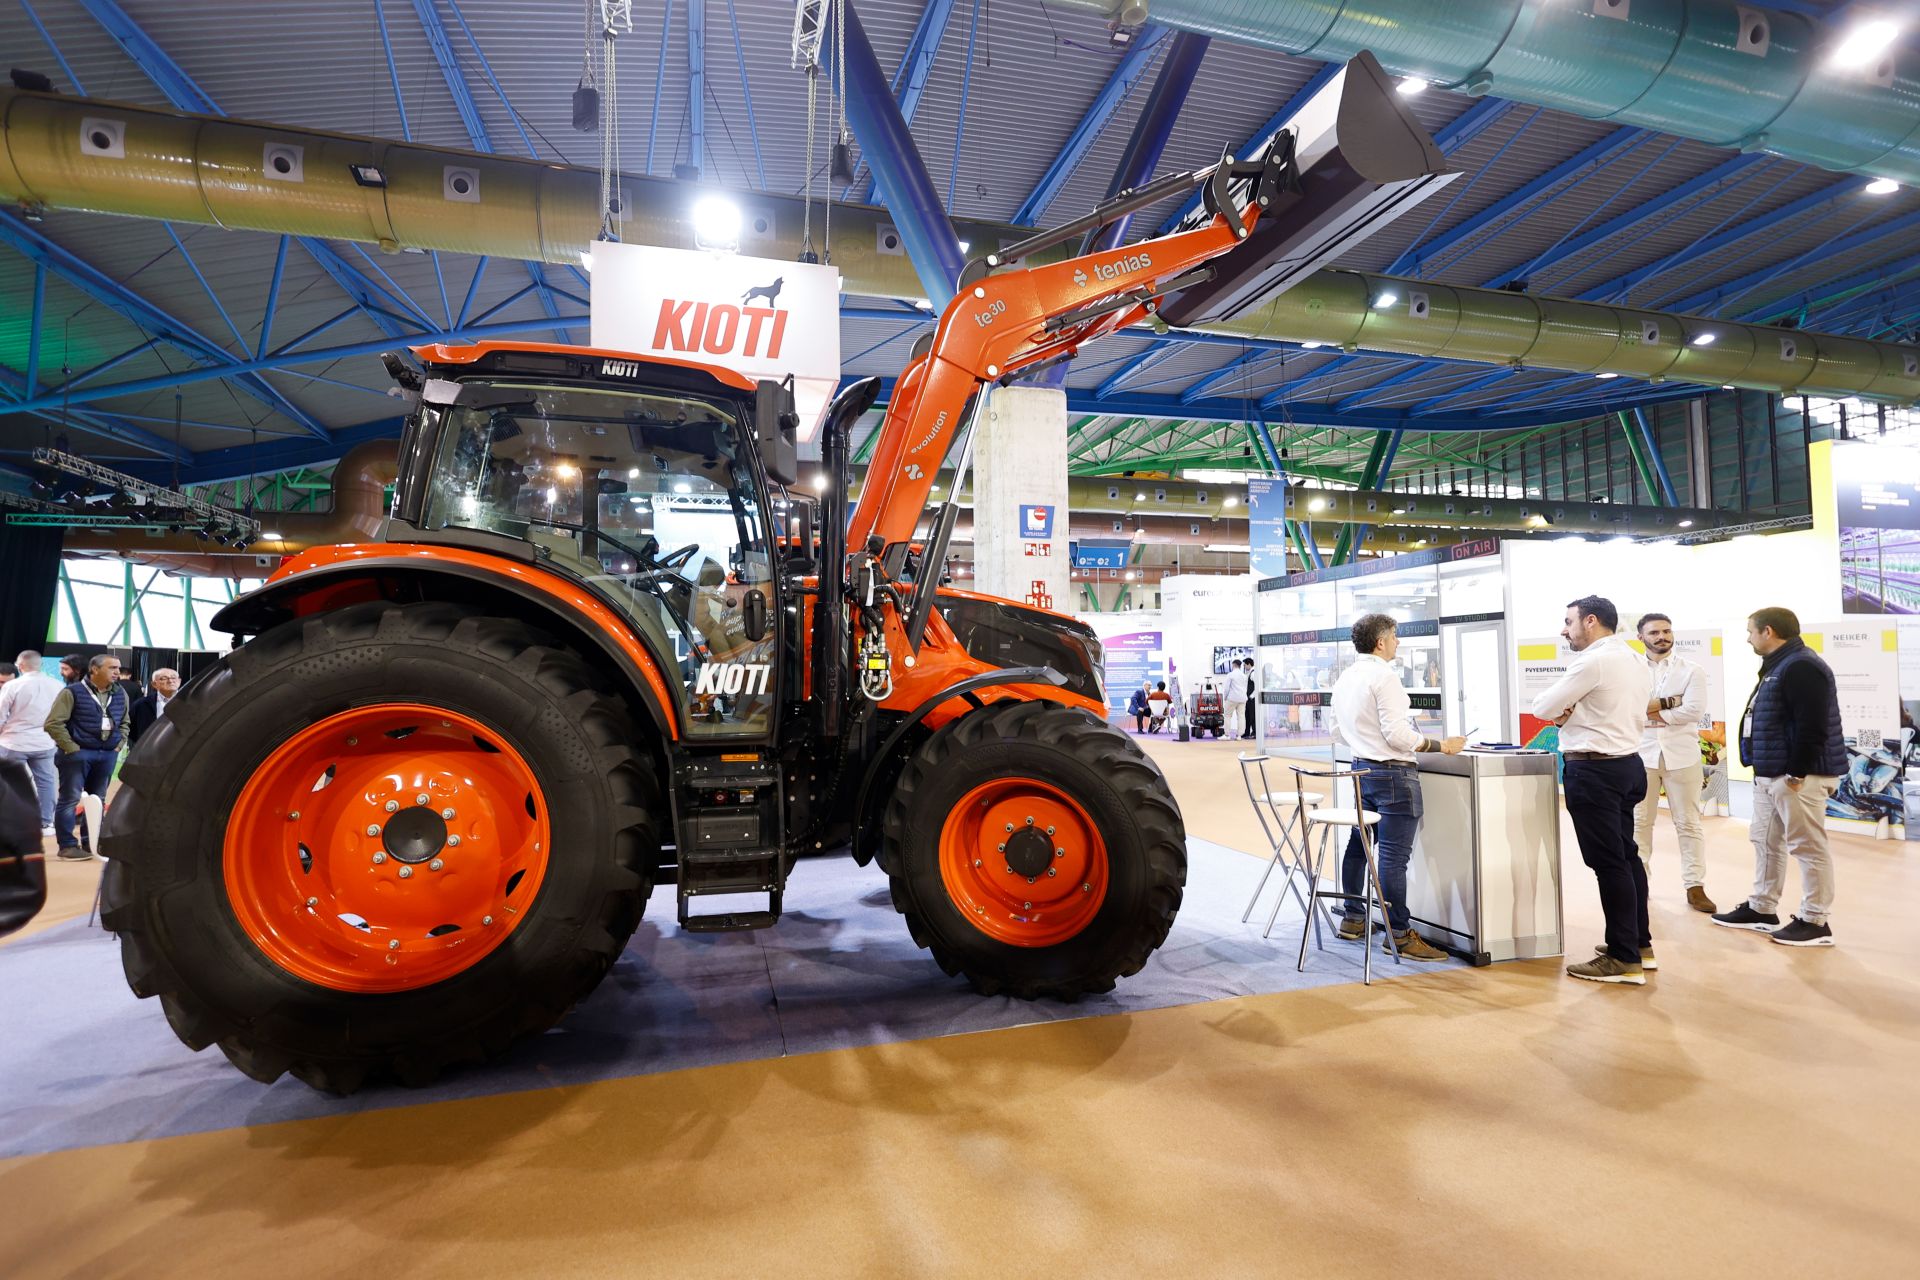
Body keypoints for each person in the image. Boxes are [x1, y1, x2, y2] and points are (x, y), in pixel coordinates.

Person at [1531, 595, 1655, 986]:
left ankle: (1623, 957)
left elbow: (1543, 706)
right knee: (1627, 856)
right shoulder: (1635, 658)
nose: (1563, 630)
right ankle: (1639, 943)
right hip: (1628, 765)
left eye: (1568, 622)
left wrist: (1565, 713)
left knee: (1609, 863)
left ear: (1590, 621)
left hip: (1595, 771)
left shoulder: (1594, 660)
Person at [1330, 613, 1466, 962]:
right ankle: (1400, 935)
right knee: (1392, 857)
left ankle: (1353, 918)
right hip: (1393, 776)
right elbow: (1398, 735)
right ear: (1380, 641)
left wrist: (1365, 743)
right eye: (1395, 636)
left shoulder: (1347, 676)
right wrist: (1441, 746)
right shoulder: (1384, 677)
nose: (1398, 642)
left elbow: (1336, 731)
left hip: (1361, 770)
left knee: (1359, 846)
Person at [1713, 607, 1846, 946]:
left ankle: (1815, 921)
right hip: (1771, 773)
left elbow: (1812, 724)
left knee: (1807, 846)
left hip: (1798, 776)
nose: (1747, 638)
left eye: (1750, 631)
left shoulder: (1801, 665)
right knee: (1765, 839)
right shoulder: (1780, 665)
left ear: (1768, 631)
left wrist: (1797, 771)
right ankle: (1762, 908)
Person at [1632, 614, 1715, 913]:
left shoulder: (1692, 670)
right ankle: (1640, 885)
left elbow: (1693, 711)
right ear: (1641, 637)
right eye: (1654, 632)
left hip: (1682, 755)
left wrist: (1650, 711)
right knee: (1640, 822)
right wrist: (1670, 702)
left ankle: (1695, 886)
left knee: (1689, 823)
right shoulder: (1630, 671)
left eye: (1666, 631)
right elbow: (1627, 710)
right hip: (1641, 755)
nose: (1662, 637)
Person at [44, 653, 129, 860]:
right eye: (112, 668)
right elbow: (53, 723)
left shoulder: (120, 693)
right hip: (77, 754)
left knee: (98, 800)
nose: (117, 672)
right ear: (94, 670)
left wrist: (118, 744)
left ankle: (91, 842)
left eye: (118, 668)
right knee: (70, 799)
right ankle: (67, 845)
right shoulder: (72, 692)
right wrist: (71, 748)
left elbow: (125, 721)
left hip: (107, 754)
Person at [0, 651, 63, 837]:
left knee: (10, 783)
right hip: (45, 741)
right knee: (46, 783)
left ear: (20, 666)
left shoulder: (13, 685)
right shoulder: (58, 685)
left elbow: (1, 713)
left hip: (14, 742)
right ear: (40, 664)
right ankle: (45, 822)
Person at [129, 668, 181, 747]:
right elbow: (131, 728)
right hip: (151, 750)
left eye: (173, 678)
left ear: (179, 681)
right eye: (163, 678)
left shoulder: (190, 702)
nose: (170, 681)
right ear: (154, 684)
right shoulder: (142, 704)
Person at [1223, 658, 1250, 739]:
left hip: (1232, 698)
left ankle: (1227, 735)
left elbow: (1226, 688)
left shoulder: (1230, 675)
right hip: (1242, 699)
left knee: (1227, 716)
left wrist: (1225, 697)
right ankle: (1239, 736)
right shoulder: (1244, 676)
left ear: (1233, 665)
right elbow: (1246, 688)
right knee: (1241, 717)